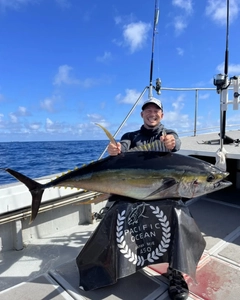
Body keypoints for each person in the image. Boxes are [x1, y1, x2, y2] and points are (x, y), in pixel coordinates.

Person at [107, 97, 189, 300]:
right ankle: (113, 262)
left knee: (179, 216)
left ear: (162, 114)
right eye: (148, 111)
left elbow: (174, 142)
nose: (152, 114)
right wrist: (115, 150)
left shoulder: (167, 134)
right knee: (113, 212)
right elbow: (122, 146)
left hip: (162, 194)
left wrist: (171, 143)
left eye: (156, 111)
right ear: (142, 114)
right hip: (135, 192)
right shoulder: (131, 136)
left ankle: (176, 271)